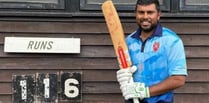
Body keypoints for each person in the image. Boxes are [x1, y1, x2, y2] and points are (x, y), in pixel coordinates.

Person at [116, 0, 188, 103]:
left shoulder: (172, 41)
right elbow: (127, 72)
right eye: (141, 12)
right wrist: (124, 78)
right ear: (135, 14)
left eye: (150, 12)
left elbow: (179, 79)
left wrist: (145, 92)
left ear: (158, 15)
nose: (145, 17)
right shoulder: (129, 41)